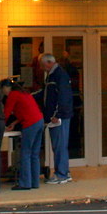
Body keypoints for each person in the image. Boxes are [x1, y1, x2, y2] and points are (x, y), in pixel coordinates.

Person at [0, 78, 44, 190]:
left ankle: (25, 183)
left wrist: (0, 125)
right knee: (34, 154)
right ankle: (35, 182)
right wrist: (14, 123)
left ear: (6, 88)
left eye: (2, 89)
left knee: (25, 153)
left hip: (30, 124)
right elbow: (26, 110)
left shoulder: (13, 95)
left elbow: (6, 113)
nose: (3, 92)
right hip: (39, 121)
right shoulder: (24, 93)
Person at [39, 52, 73, 184]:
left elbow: (64, 96)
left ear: (49, 63)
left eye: (43, 65)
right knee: (59, 145)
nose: (42, 68)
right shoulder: (54, 75)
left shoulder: (58, 75)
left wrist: (56, 114)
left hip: (59, 117)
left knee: (59, 145)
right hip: (58, 116)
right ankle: (64, 172)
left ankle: (61, 174)